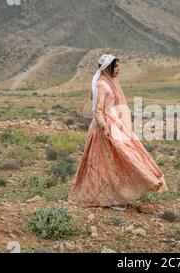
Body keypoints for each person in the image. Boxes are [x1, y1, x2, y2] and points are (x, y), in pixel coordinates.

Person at [68, 54, 168, 211]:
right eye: (116, 67)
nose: (119, 69)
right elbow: (98, 110)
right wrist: (104, 127)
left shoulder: (109, 83)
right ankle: (112, 197)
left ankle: (120, 194)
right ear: (108, 68)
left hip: (113, 123)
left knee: (118, 159)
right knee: (105, 162)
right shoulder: (102, 84)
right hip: (105, 128)